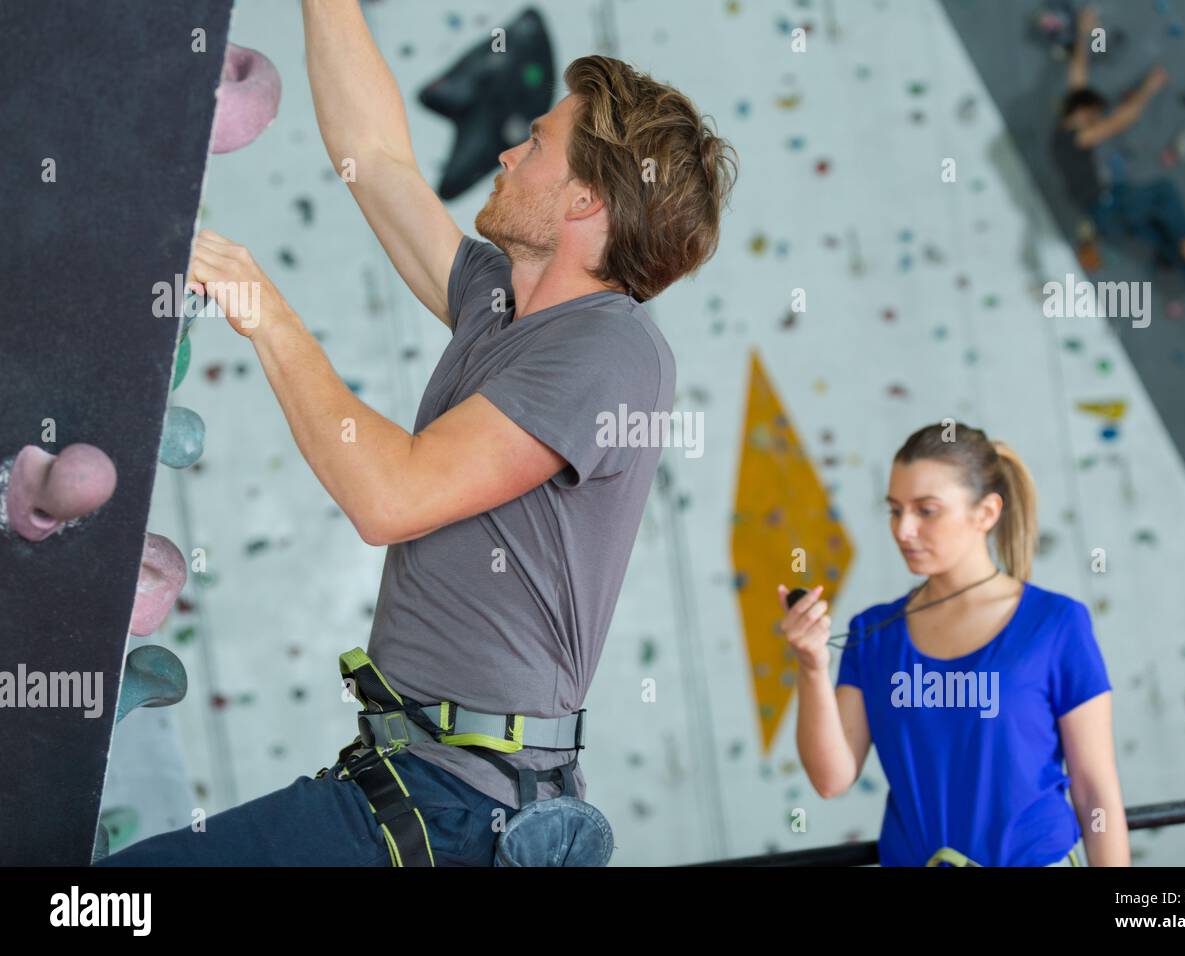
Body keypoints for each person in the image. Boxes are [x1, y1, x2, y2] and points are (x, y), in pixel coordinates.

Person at [98, 0, 736, 865]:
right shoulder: (499, 302)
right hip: (414, 789)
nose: (508, 150)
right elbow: (380, 159)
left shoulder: (614, 349)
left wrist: (265, 312)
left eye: (536, 143)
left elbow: (390, 495)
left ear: (586, 197)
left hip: (459, 814)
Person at [779, 422, 1130, 866]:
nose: (903, 529)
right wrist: (811, 667)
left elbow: (1096, 790)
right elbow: (831, 779)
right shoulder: (872, 633)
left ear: (985, 513)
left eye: (926, 511)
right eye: (894, 510)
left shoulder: (1056, 624)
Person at [1052, 6, 1185, 313]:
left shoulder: (1067, 129)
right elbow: (1121, 120)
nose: (1095, 118)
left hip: (1104, 219)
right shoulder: (1079, 137)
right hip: (1112, 205)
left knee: (1166, 240)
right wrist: (1148, 89)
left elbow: (1078, 78)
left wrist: (1084, 35)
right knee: (1164, 193)